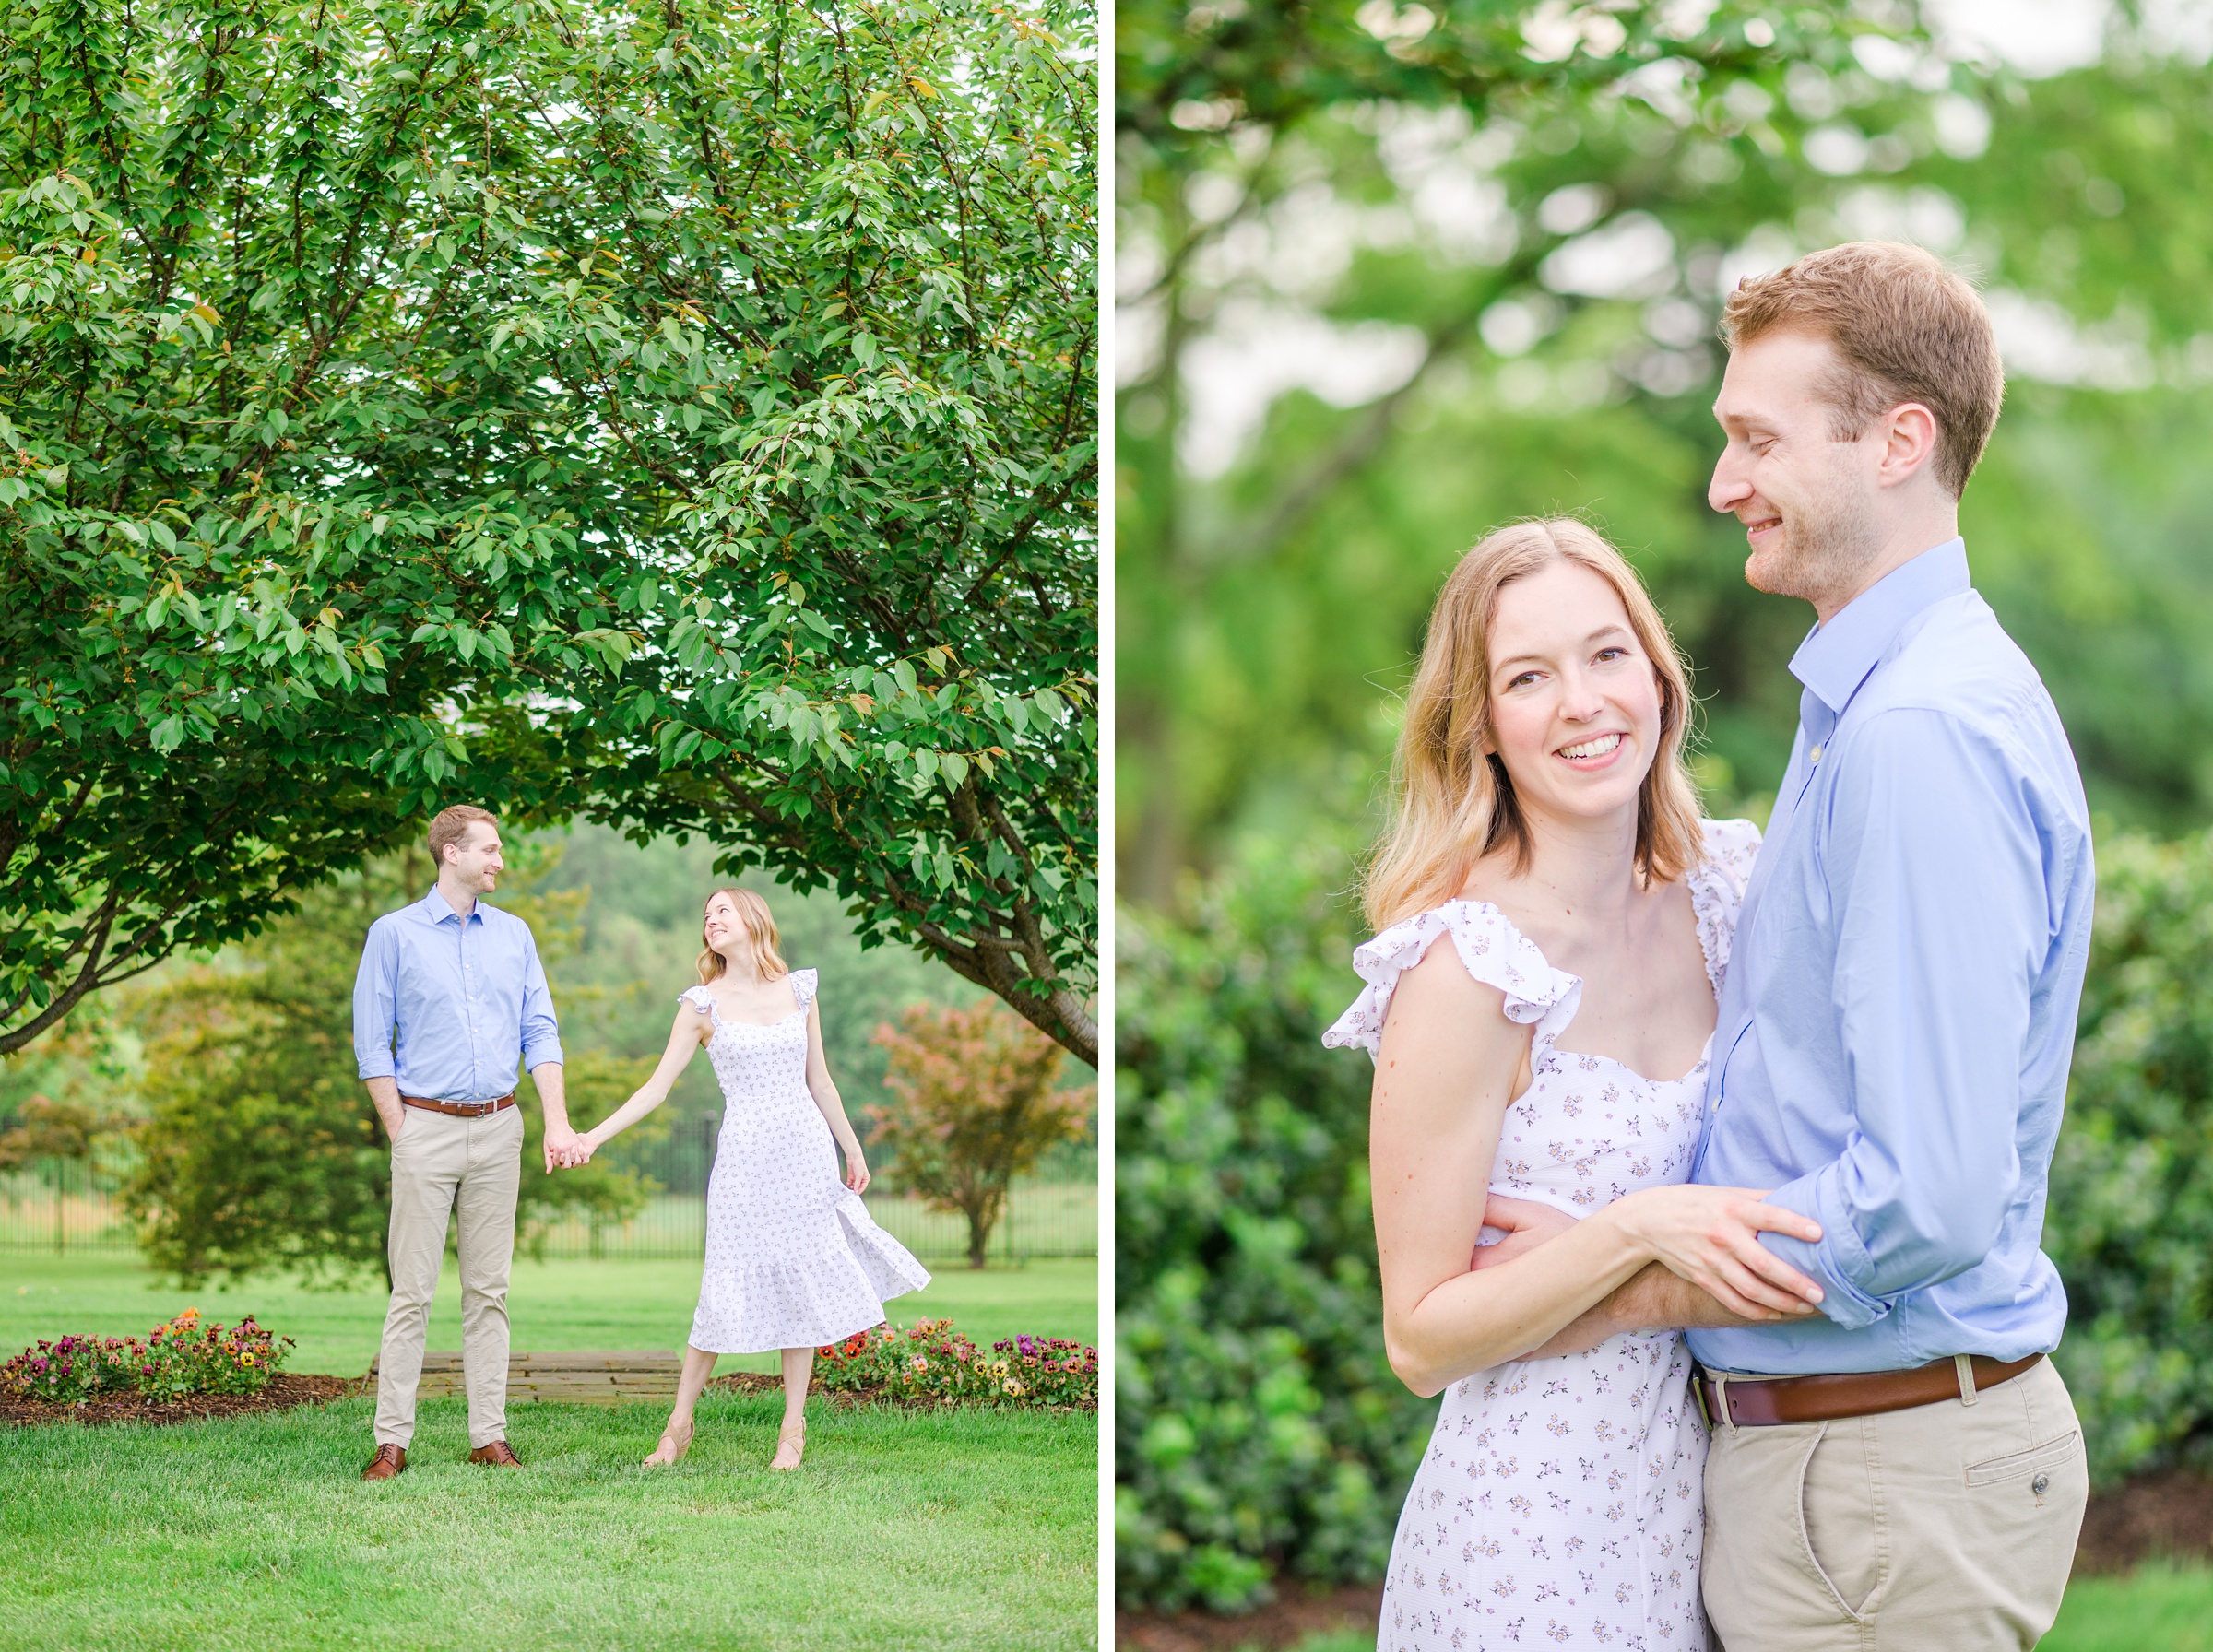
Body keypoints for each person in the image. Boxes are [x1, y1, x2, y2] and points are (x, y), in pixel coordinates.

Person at [1485, 242, 2096, 1650]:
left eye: (1755, 438)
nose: (1723, 484)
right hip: (1855, 1475)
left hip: (1878, 1485)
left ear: (1898, 442)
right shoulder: (1878, 703)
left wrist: (1628, 1278)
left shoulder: (1915, 733)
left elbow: (1930, 1191)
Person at [1322, 518, 1829, 1651]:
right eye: (1528, 677)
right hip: (1529, 1539)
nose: (1583, 703)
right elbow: (1420, 1337)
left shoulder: (1728, 894)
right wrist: (1635, 1227)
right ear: (1483, 727)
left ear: (1658, 674)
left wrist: (1616, 1250)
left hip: (1712, 1500)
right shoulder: (1470, 969)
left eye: (1608, 655)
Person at [573, 886, 929, 1469]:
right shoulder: (700, 1006)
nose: (710, 921)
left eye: (722, 910)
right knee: (721, 1287)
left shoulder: (801, 990)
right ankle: (677, 1427)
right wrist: (591, 1137)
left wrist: (853, 1148)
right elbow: (655, 1089)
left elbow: (821, 1080)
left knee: (801, 1289)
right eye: (705, 915)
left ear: (752, 919)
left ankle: (792, 1431)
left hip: (806, 1155)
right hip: (744, 1161)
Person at [353, 804, 586, 1481]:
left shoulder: (515, 936)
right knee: (412, 1294)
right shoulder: (393, 934)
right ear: (450, 853)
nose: (499, 862)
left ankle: (489, 1436)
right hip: (423, 1126)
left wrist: (556, 1119)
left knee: (489, 1291)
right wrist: (403, 1129)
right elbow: (372, 1045)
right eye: (489, 849)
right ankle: (391, 1442)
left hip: (499, 1128)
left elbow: (540, 1032)